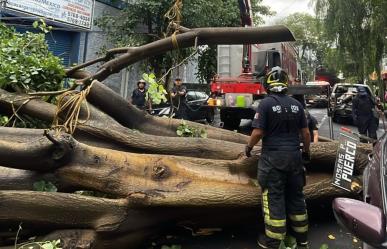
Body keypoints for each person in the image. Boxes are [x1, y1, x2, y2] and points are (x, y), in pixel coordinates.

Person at [245, 67, 310, 249]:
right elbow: (305, 133)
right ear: (286, 84)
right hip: (295, 159)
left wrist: (248, 147)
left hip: (273, 161)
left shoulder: (265, 104)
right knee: (297, 197)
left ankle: (274, 241)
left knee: (273, 198)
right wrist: (306, 152)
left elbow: (258, 132)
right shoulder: (297, 105)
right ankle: (302, 238)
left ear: (268, 85)